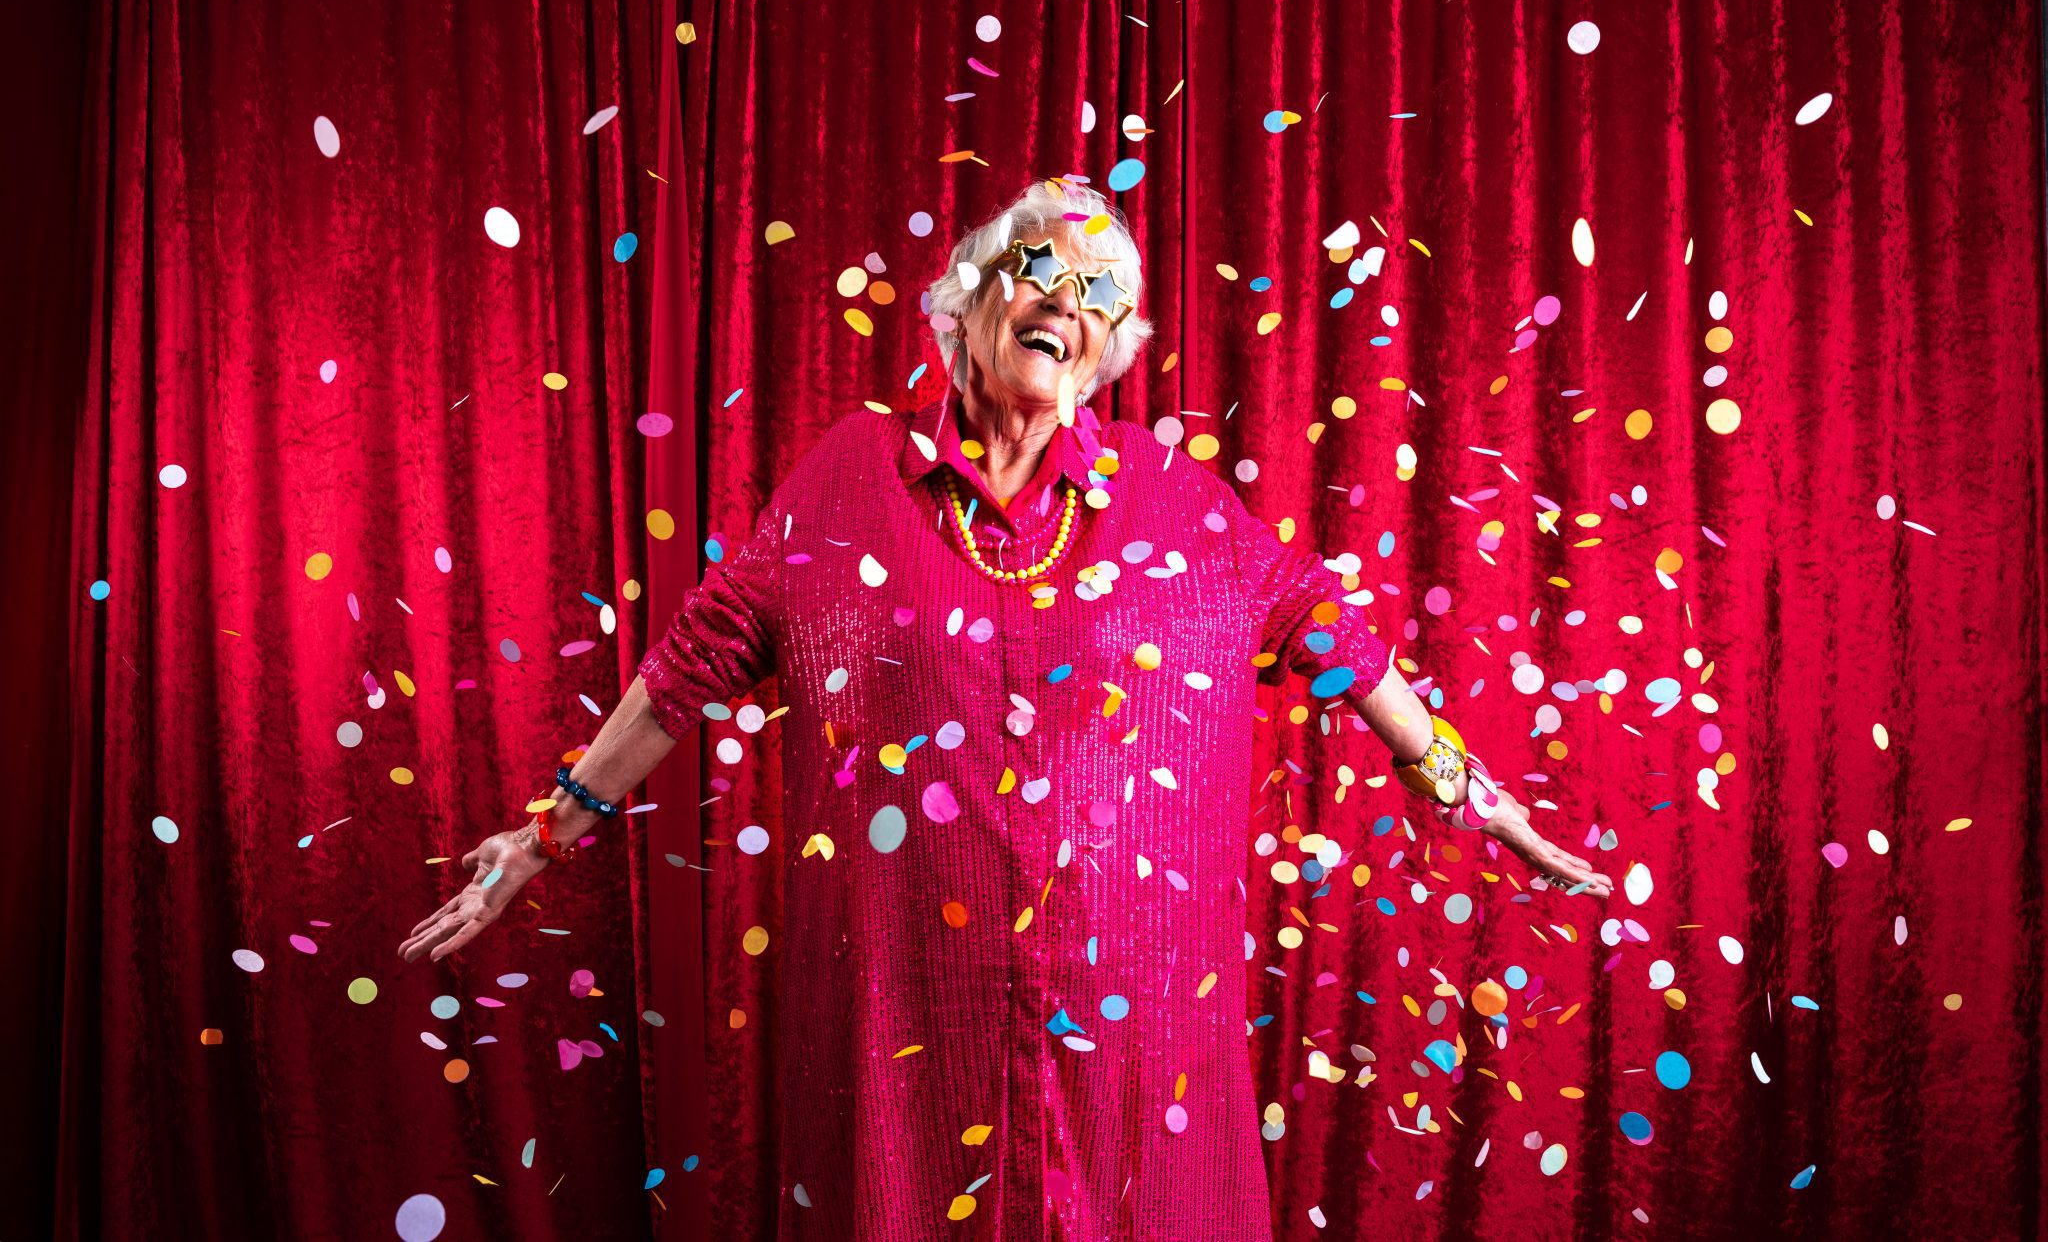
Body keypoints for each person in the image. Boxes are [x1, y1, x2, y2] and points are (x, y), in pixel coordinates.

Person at [400, 178, 1613, 1237]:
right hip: (915, 1031)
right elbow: (691, 660)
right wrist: (544, 833)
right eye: (1038, 267)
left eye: (1098, 292)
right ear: (970, 298)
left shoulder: (1167, 498)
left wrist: (1465, 786)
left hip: (1132, 1047)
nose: (1064, 300)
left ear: (1109, 345)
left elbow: (1322, 625)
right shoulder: (852, 476)